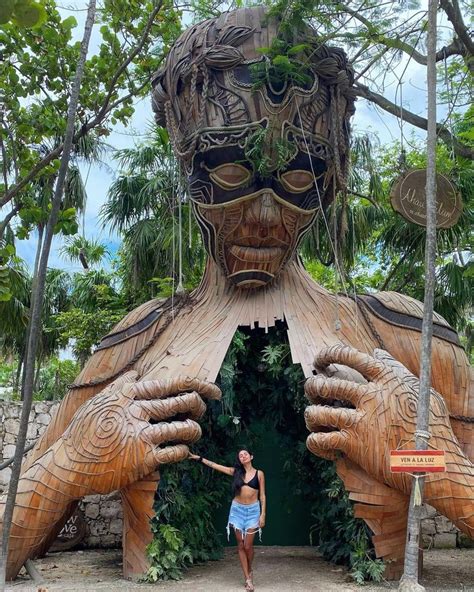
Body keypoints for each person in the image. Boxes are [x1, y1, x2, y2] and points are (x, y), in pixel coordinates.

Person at [189, 449, 266, 592]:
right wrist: (199, 458)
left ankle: (249, 569)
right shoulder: (235, 472)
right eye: (240, 455)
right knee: (241, 544)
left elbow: (262, 496)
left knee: (248, 546)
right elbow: (214, 465)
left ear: (251, 456)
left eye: (245, 454)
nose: (242, 456)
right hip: (237, 511)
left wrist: (263, 515)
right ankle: (248, 579)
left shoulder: (259, 473)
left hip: (253, 511)